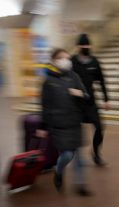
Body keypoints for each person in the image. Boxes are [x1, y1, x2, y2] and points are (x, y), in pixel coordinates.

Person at [37, 48, 91, 196]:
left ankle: (81, 186)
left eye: (68, 58)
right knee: (67, 155)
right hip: (58, 124)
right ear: (54, 61)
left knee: (79, 156)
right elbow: (44, 105)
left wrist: (80, 94)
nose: (66, 61)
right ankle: (58, 170)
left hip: (74, 121)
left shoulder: (74, 76)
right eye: (62, 58)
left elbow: (86, 96)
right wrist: (43, 126)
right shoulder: (48, 81)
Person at [71, 33, 109, 166]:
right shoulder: (72, 61)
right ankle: (74, 158)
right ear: (78, 46)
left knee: (99, 127)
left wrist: (106, 99)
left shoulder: (94, 61)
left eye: (88, 45)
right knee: (75, 133)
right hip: (75, 104)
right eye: (83, 45)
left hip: (90, 102)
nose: (86, 47)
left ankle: (96, 154)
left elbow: (102, 80)